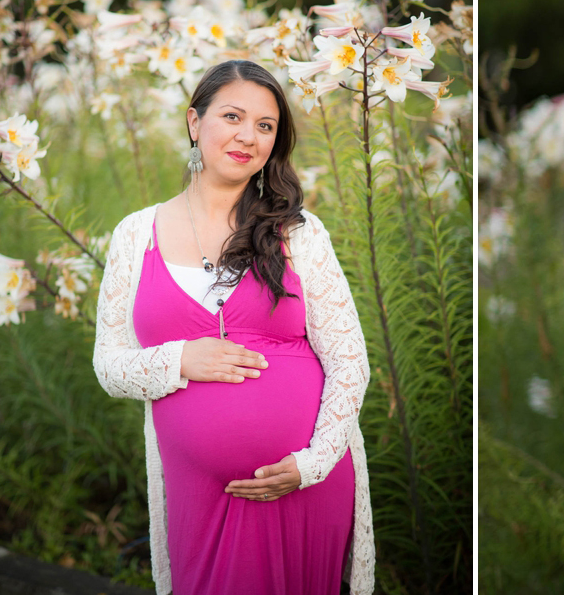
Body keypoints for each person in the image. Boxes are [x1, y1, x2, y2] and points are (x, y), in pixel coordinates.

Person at [92, 60, 375, 595]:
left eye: (266, 126)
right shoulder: (135, 235)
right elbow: (109, 365)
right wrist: (181, 360)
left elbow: (349, 361)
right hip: (201, 496)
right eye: (233, 116)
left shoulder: (298, 233)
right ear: (194, 122)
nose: (249, 136)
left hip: (303, 488)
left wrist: (310, 464)